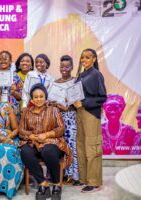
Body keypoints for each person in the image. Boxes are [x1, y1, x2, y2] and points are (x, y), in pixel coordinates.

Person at [19, 83, 72, 200]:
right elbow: (21, 130)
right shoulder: (26, 112)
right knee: (25, 152)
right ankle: (43, 183)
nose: (38, 99)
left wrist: (46, 135)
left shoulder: (54, 110)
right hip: (33, 141)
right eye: (36, 97)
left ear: (45, 97)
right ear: (31, 99)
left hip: (52, 141)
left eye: (41, 96)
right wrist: (31, 136)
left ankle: (57, 184)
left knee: (48, 151)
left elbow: (61, 128)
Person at [73, 48, 107, 193]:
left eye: (87, 57)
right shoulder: (81, 75)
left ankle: (94, 181)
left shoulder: (96, 75)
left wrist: (84, 103)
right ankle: (84, 178)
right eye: (82, 57)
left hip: (90, 114)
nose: (84, 60)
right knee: (81, 145)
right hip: (79, 113)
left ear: (94, 59)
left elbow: (102, 97)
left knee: (92, 146)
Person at [49, 55, 81, 186]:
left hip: (72, 118)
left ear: (72, 67)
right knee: (62, 146)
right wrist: (53, 104)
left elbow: (79, 102)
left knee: (72, 146)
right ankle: (64, 174)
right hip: (59, 119)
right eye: (62, 66)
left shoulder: (76, 82)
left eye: (67, 66)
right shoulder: (55, 83)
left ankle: (75, 176)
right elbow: (50, 102)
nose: (64, 69)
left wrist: (67, 108)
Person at [0, 51, 22, 120]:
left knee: (14, 130)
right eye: (1, 59)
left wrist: (14, 92)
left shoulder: (16, 76)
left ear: (10, 61)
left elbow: (21, 96)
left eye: (6, 59)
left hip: (13, 110)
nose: (3, 61)